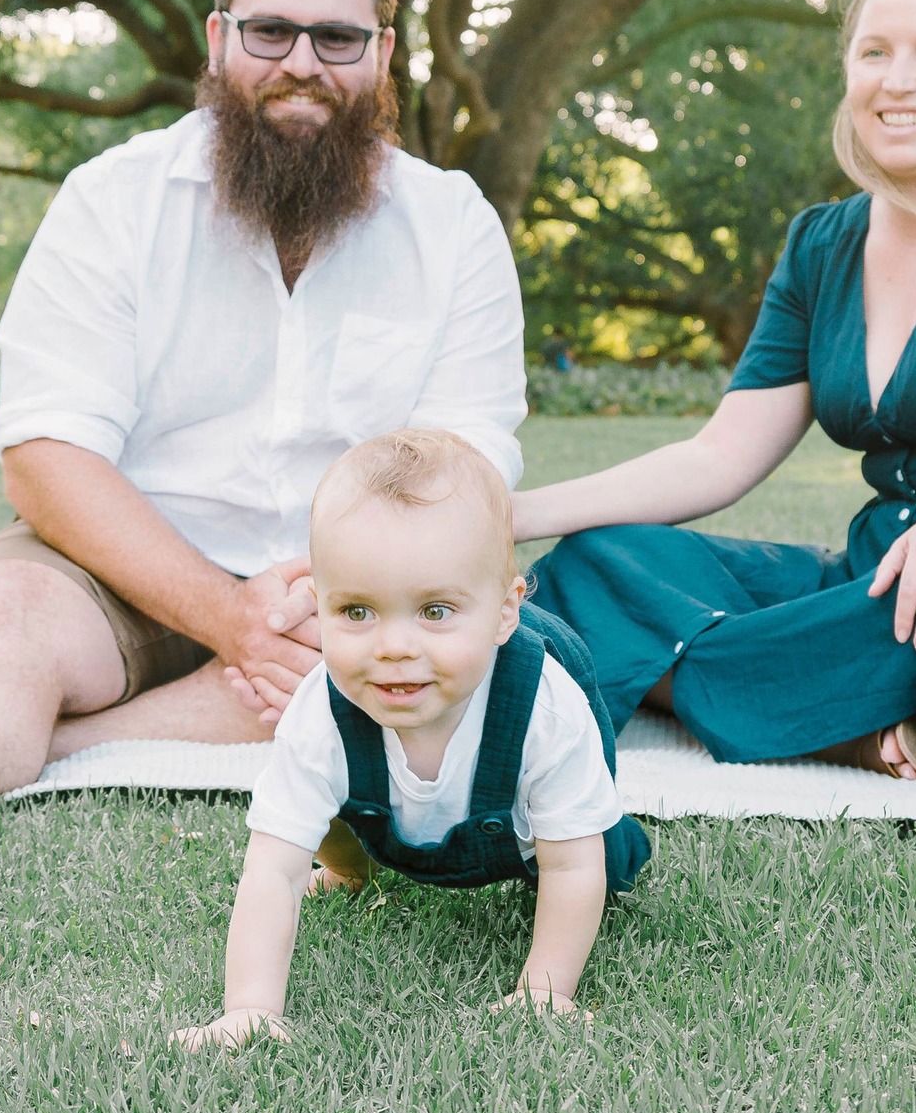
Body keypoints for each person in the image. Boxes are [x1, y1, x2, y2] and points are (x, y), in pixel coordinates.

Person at [0, 0, 527, 872]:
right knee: (7, 617)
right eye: (270, 32)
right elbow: (45, 456)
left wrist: (327, 600)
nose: (302, 63)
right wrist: (222, 613)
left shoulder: (453, 225)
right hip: (124, 563)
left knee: (405, 661)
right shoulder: (113, 200)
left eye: (338, 38)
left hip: (349, 582)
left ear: (384, 53)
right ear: (219, 38)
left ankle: (42, 748)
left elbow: (467, 464)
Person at [515, 0, 916, 789]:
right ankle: (853, 725)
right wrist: (511, 514)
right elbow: (720, 456)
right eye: (874, 52)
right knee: (599, 561)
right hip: (873, 584)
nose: (897, 79)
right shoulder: (823, 243)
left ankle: (692, 683)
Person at [174, 429, 650, 1046]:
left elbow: (571, 862)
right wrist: (250, 1007)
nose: (394, 647)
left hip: (530, 830)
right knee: (326, 804)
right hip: (379, 815)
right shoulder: (321, 709)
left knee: (596, 862)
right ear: (317, 608)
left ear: (506, 611)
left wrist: (547, 991)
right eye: (357, 612)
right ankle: (350, 874)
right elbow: (272, 868)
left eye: (435, 611)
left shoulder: (546, 709)